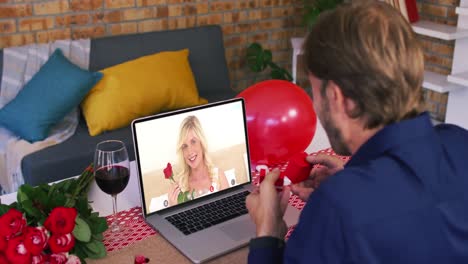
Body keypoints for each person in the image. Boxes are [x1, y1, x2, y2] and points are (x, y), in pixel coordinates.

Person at [246, 1, 468, 263]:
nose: (315, 104)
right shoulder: (459, 141)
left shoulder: (338, 206)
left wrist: (268, 232)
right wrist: (351, 180)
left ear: (338, 97)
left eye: (315, 92)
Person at [168, 115, 229, 206]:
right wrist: (173, 206)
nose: (189, 151)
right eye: (184, 146)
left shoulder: (219, 176)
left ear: (202, 143)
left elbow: (228, 210)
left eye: (193, 141)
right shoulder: (179, 187)